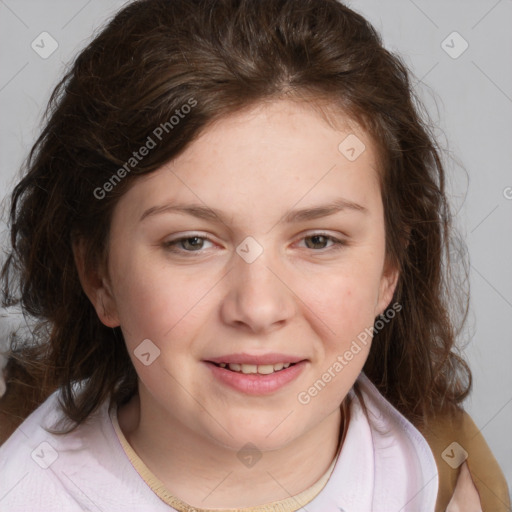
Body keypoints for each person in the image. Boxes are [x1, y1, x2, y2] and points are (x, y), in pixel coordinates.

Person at [0, 0, 509, 510]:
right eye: (191, 242)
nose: (259, 308)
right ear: (99, 277)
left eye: (318, 240)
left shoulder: (445, 474)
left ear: (389, 270)